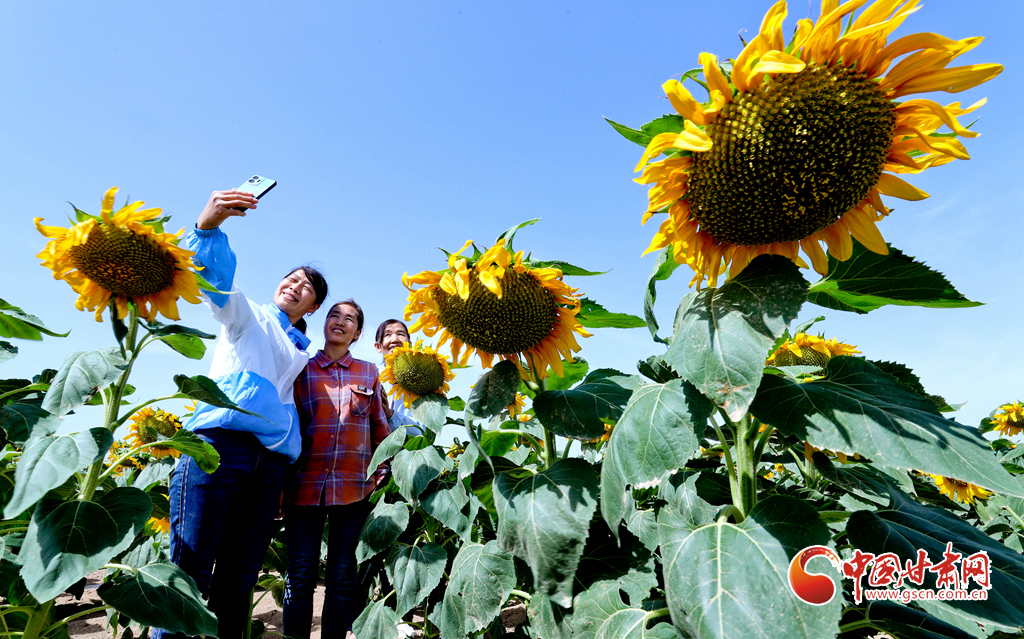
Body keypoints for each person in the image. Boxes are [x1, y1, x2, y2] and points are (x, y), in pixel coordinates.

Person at [156, 189, 329, 639]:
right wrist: (208, 227)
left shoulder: (306, 352)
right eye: (290, 278)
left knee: (239, 578)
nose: (295, 285)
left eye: (306, 286)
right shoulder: (249, 315)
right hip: (220, 447)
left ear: (313, 306)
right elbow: (218, 284)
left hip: (268, 464)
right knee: (189, 568)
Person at [285, 300, 391, 639]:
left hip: (354, 485)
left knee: (342, 575)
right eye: (334, 315)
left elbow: (379, 426)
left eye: (350, 319)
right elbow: (290, 421)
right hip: (305, 483)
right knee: (300, 575)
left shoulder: (368, 372)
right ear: (325, 323)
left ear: (357, 333)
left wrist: (384, 467)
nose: (340, 322)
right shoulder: (301, 368)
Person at [373, 319, 424, 437]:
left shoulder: (421, 379)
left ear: (409, 344)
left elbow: (422, 431)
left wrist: (391, 415)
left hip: (409, 451)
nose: (395, 339)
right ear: (378, 346)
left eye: (400, 334)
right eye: (387, 335)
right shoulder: (370, 375)